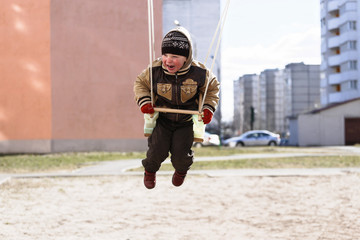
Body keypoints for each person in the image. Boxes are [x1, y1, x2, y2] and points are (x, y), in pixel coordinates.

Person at [134, 27, 220, 189]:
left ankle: (180, 171)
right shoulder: (155, 71)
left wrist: (208, 108)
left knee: (181, 156)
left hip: (185, 122)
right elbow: (141, 84)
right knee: (156, 151)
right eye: (165, 55)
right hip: (163, 120)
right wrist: (145, 101)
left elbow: (212, 89)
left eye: (174, 56)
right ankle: (150, 171)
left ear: (186, 57)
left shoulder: (199, 73)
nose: (168, 60)